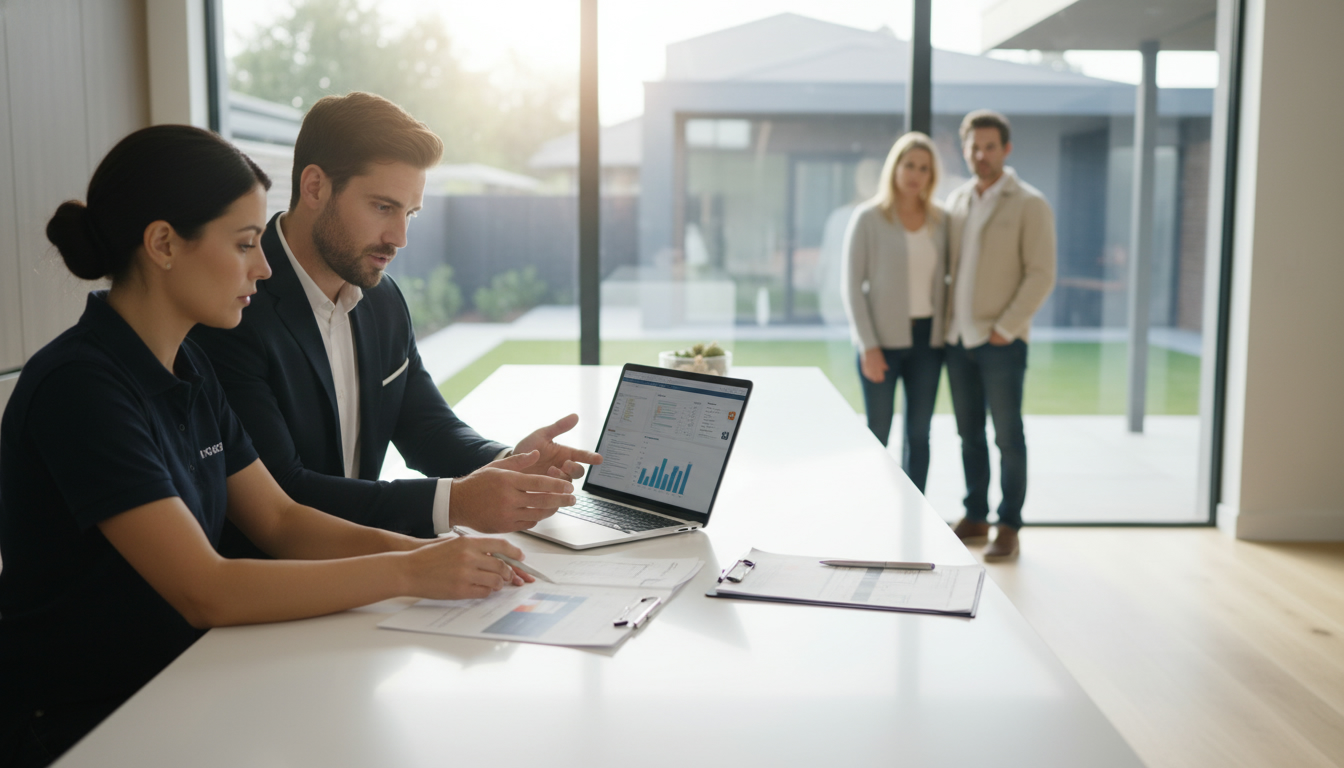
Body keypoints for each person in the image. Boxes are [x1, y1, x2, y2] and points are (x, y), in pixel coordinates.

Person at [0, 125, 539, 767]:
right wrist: (410, 570)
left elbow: (281, 521)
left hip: (186, 681)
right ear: (164, 244)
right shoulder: (82, 389)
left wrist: (439, 556)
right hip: (85, 722)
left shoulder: (187, 367)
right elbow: (207, 588)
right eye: (245, 243)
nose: (262, 266)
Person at [190, 92, 599, 558]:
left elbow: (427, 428)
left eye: (410, 213)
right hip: (274, 588)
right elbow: (286, 495)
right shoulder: (233, 308)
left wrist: (510, 463)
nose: (399, 238)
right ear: (315, 186)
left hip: (365, 576)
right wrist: (455, 503)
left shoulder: (381, 298)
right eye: (383, 207)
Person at [943, 110, 1056, 560]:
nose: (981, 154)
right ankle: (975, 515)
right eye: (974, 146)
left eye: (990, 146)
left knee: (1007, 435)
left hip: (1001, 342)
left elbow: (1041, 274)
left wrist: (1006, 329)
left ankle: (1009, 525)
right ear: (965, 149)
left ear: (1006, 150)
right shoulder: (956, 202)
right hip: (957, 341)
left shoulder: (1030, 203)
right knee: (968, 434)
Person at [841, 132, 949, 493]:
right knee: (878, 432)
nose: (915, 174)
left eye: (924, 168)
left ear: (931, 175)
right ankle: (874, 506)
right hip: (880, 341)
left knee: (919, 434)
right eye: (909, 165)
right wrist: (867, 345)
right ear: (895, 167)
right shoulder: (868, 218)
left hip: (927, 341)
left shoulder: (941, 221)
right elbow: (852, 286)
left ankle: (916, 512)